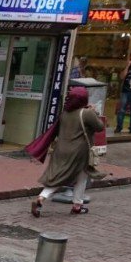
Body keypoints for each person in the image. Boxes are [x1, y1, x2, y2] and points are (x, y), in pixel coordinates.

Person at [32, 86, 102, 217]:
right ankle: (77, 205)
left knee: (58, 176)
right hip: (79, 152)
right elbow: (99, 127)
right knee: (82, 176)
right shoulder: (86, 113)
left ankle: (42, 197)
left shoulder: (65, 113)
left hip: (60, 150)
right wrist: (94, 112)